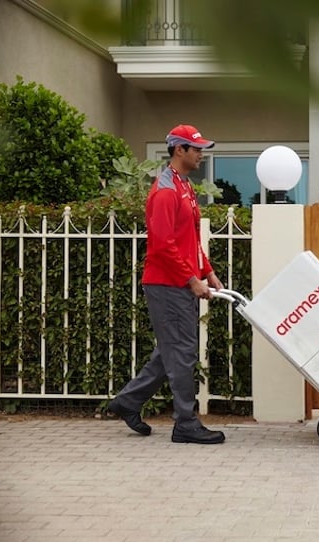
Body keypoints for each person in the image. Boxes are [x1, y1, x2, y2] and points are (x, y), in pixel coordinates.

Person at [109, 124, 225, 444]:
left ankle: (128, 402)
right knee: (183, 352)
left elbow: (189, 240)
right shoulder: (165, 190)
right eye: (196, 149)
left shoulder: (183, 185)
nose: (201, 154)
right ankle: (185, 423)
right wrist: (191, 279)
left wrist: (208, 271)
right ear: (179, 150)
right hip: (167, 284)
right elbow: (162, 244)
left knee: (170, 352)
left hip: (179, 282)